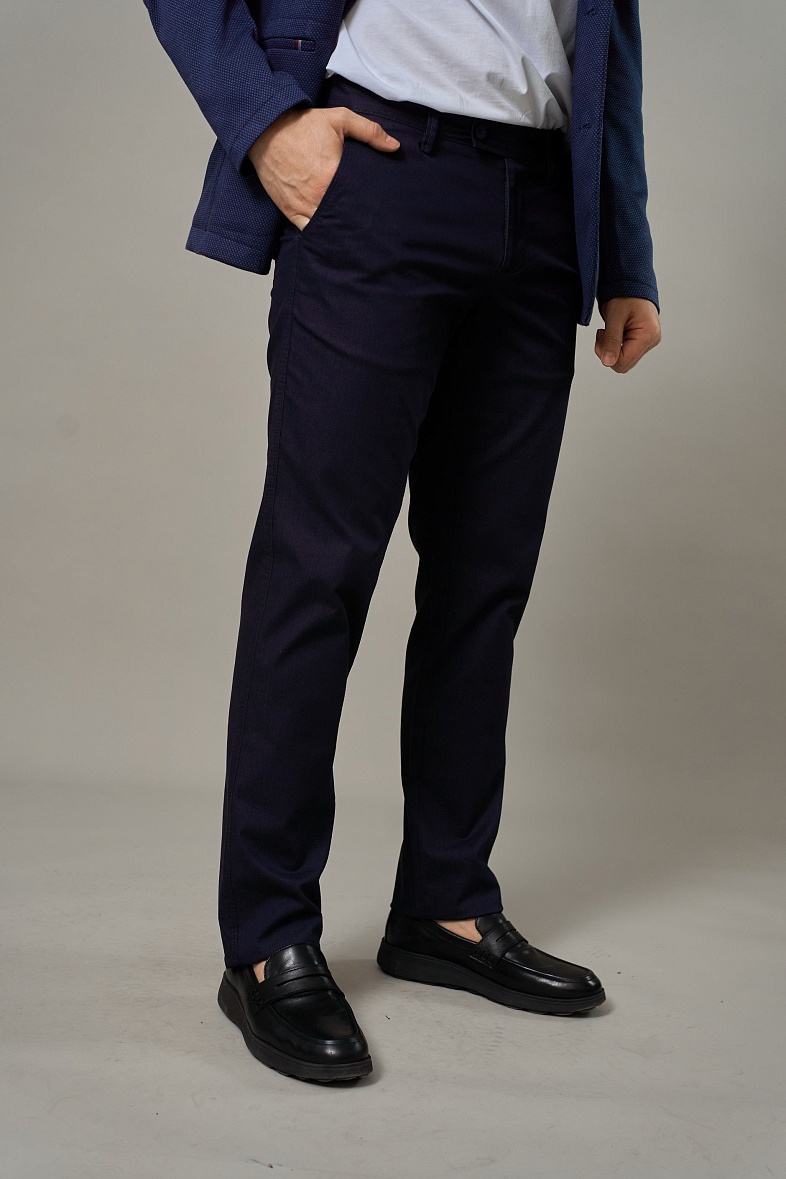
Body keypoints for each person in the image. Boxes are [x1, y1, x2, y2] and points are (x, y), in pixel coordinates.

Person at [142, 0, 662, 1083]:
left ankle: (446, 905)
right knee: (317, 571)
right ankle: (267, 936)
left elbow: (607, 34)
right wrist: (266, 122)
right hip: (379, 172)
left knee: (485, 583)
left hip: (542, 202)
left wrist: (625, 252)